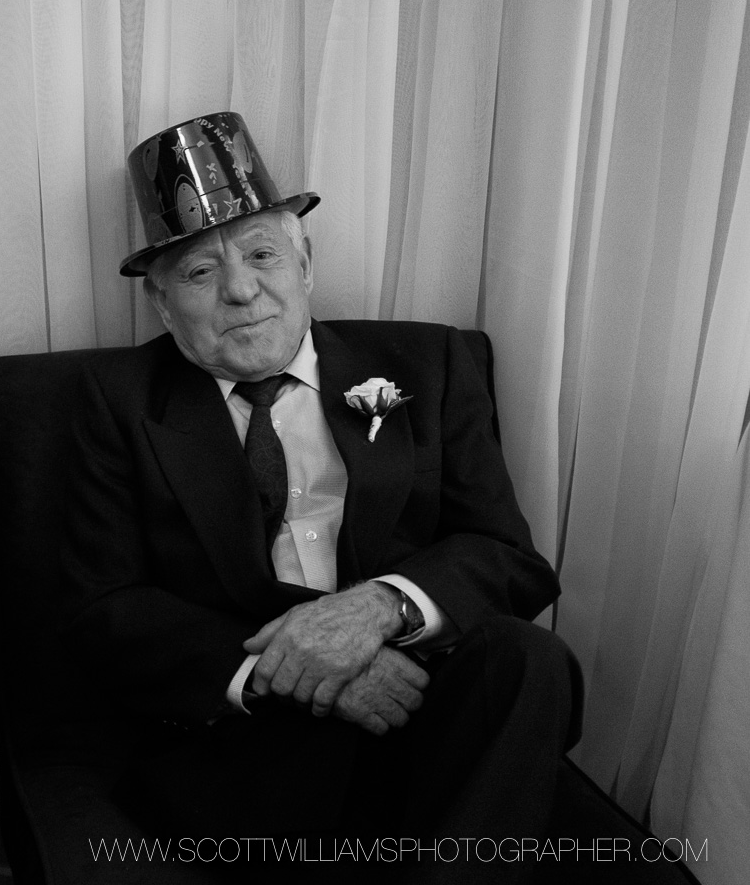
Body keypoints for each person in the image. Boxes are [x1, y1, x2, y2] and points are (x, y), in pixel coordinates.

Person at [62, 112, 580, 881]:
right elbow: (102, 607)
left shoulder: (428, 364)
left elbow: (508, 557)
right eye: (200, 273)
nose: (241, 290)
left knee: (529, 660)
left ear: (305, 264)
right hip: (259, 737)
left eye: (263, 254)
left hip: (423, 693)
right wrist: (299, 669)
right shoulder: (113, 402)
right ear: (165, 306)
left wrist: (376, 611)